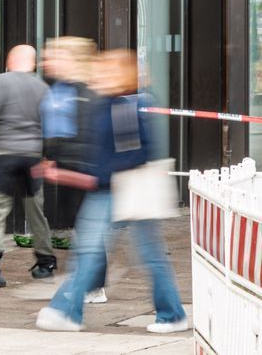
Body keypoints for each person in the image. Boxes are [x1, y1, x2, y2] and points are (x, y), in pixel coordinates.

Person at [36, 49, 187, 333]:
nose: (98, 75)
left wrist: (94, 177)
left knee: (111, 252)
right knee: (98, 251)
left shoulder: (125, 105)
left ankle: (170, 315)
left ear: (121, 76)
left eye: (106, 71)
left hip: (122, 188)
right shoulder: (107, 103)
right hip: (111, 187)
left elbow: (133, 154)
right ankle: (170, 314)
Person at [0, 44, 57, 288]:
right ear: (32, 64)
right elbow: (51, 124)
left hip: (5, 155)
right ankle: (45, 261)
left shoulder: (0, 81)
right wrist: (47, 155)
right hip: (32, 156)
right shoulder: (43, 87)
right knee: (36, 212)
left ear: (10, 60)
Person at [39, 37, 107, 303]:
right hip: (65, 168)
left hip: (82, 169)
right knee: (82, 228)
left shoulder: (85, 91)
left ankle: (93, 286)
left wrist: (82, 168)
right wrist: (50, 157)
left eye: (54, 56)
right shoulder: (60, 88)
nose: (48, 61)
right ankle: (85, 282)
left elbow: (86, 133)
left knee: (89, 229)